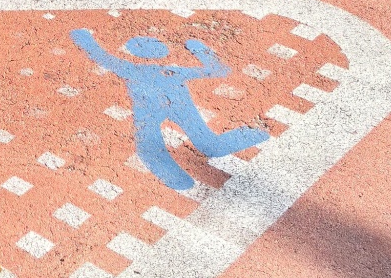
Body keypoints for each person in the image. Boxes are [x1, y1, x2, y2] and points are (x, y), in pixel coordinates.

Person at [69, 29, 270, 192]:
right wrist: (200, 50)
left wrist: (86, 40)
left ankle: (179, 179)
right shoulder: (170, 70)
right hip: (173, 108)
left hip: (157, 110)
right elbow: (217, 70)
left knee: (153, 145)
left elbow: (102, 57)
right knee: (204, 142)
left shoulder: (132, 69)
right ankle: (248, 136)